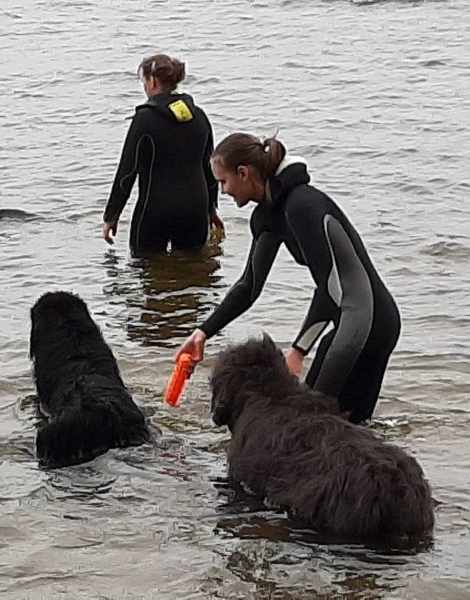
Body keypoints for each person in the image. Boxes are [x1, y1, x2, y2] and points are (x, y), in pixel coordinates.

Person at [175, 133, 401, 424]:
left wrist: (298, 349)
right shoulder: (268, 216)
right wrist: (202, 332)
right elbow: (249, 287)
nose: (224, 191)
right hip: (354, 323)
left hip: (368, 323)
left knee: (312, 425)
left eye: (223, 181)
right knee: (340, 428)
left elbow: (330, 288)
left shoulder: (301, 205)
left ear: (243, 173)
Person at [102, 54, 223, 253]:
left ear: (151, 80)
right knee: (194, 271)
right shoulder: (199, 116)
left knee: (145, 272)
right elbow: (209, 169)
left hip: (155, 211)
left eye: (144, 81)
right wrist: (211, 209)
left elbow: (127, 171)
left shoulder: (144, 120)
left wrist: (112, 216)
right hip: (195, 210)